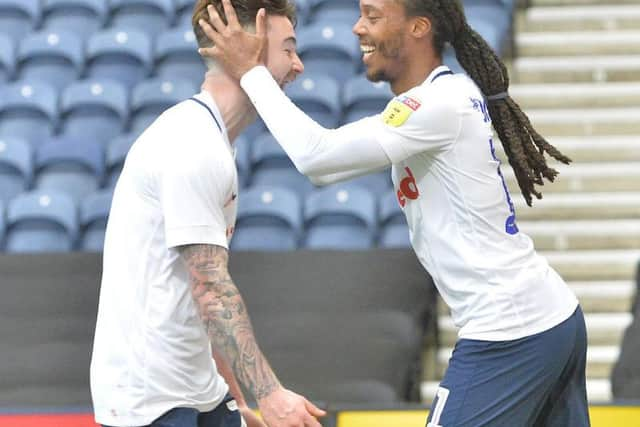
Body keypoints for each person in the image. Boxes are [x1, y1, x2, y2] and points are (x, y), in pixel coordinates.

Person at [197, 0, 591, 425]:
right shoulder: (446, 96)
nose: (357, 28)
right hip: (547, 317)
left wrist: (251, 71)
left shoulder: (438, 104)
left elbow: (317, 158)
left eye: (373, 15)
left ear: (419, 27)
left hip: (512, 332)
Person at [89, 1, 327, 426]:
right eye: (288, 49)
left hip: (200, 392)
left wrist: (237, 402)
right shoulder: (192, 144)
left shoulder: (211, 140)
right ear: (242, 44)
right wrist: (270, 395)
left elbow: (196, 295)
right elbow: (210, 289)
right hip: (154, 403)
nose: (299, 65)